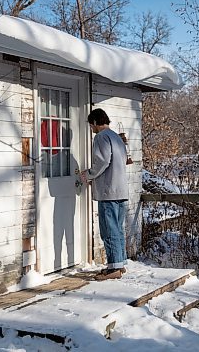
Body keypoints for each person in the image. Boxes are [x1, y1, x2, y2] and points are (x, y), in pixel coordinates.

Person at [80, 108, 128, 280]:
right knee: (118, 228)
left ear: (94, 122)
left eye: (90, 125)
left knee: (109, 230)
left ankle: (114, 267)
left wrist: (88, 174)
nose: (91, 129)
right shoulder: (117, 137)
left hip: (109, 191)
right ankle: (119, 264)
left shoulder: (101, 137)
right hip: (121, 190)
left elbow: (102, 161)